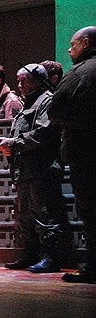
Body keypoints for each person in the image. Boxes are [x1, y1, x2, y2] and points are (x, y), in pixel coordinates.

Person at [0, 64, 68, 273]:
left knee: (44, 213)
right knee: (25, 215)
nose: (19, 85)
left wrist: (13, 143)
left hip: (42, 169)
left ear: (37, 80)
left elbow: (44, 133)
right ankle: (30, 254)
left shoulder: (47, 101)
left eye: (24, 81)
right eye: (18, 81)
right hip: (26, 169)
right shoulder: (28, 103)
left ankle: (50, 257)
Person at [49, 26, 96, 283]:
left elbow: (55, 110)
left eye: (73, 44)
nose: (69, 50)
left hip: (85, 151)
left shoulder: (79, 72)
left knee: (89, 209)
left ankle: (92, 267)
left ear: (85, 43)